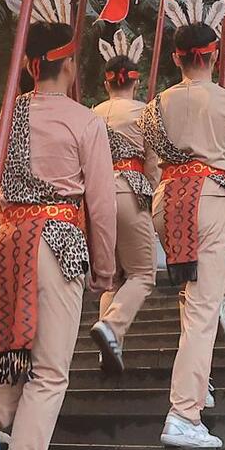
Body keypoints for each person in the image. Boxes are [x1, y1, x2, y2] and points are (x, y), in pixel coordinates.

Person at [0, 10, 118, 450]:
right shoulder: (84, 121)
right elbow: (101, 202)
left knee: (11, 353)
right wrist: (105, 268)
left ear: (30, 68)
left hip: (8, 242)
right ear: (68, 65)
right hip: (56, 241)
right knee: (50, 371)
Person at [142, 17, 225, 448]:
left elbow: (151, 167)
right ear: (215, 57)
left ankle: (196, 382)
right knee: (205, 308)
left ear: (176, 58)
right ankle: (184, 412)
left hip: (169, 199)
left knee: (192, 301)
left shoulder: (156, 106)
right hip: (209, 198)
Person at [89, 32, 158, 376]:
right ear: (135, 81)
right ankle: (112, 328)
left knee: (113, 278)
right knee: (143, 273)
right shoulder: (145, 113)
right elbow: (154, 164)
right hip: (130, 189)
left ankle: (110, 348)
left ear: (106, 83)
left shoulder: (91, 114)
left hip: (96, 196)